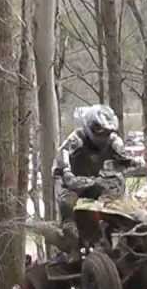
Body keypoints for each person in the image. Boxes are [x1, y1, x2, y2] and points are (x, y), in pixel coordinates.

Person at [52, 105, 141, 252]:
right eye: (100, 132)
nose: (103, 137)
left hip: (97, 181)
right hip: (70, 183)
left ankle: (125, 238)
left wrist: (136, 163)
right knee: (68, 205)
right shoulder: (75, 141)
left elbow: (124, 159)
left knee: (121, 204)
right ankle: (71, 242)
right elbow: (62, 165)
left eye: (107, 132)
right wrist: (68, 174)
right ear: (89, 127)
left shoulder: (114, 141)